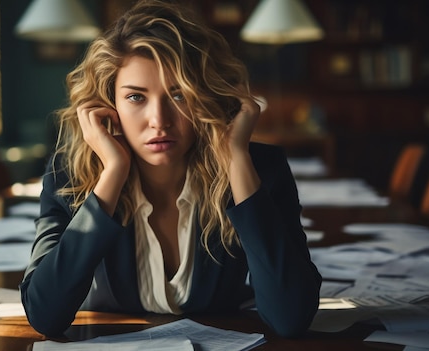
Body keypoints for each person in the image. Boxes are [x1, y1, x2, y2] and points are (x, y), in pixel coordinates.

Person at [20, 0, 321, 339]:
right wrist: (113, 173)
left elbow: (290, 318)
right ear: (108, 104)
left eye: (179, 95)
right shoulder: (68, 173)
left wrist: (236, 158)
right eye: (136, 97)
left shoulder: (260, 169)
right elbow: (44, 315)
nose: (159, 121)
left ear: (205, 96)